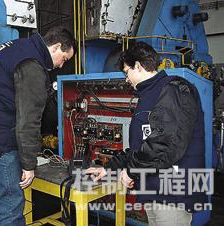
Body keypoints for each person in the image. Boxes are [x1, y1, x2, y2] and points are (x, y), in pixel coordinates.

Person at [0, 27, 77, 226]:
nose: (61, 65)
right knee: (9, 208)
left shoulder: (16, 47)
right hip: (0, 144)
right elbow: (28, 121)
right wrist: (28, 164)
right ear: (57, 46)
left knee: (1, 201)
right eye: (64, 59)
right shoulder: (31, 65)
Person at [86, 42, 207, 226]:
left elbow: (163, 145)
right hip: (153, 191)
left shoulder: (175, 89)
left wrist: (131, 172)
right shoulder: (148, 96)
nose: (127, 79)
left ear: (138, 66)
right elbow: (140, 148)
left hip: (172, 194)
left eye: (126, 72)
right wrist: (109, 168)